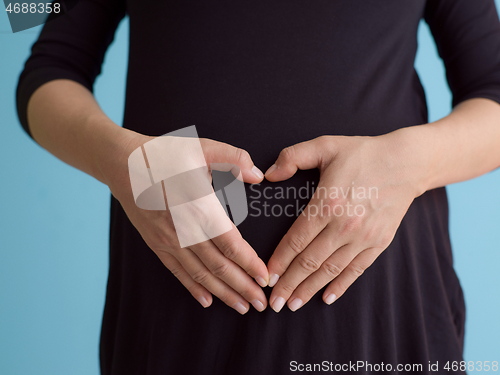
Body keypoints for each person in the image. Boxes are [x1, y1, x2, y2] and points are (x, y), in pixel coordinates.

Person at [16, 0, 500, 374]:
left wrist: (408, 164)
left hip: (385, 318)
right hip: (178, 313)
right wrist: (127, 165)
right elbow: (46, 72)